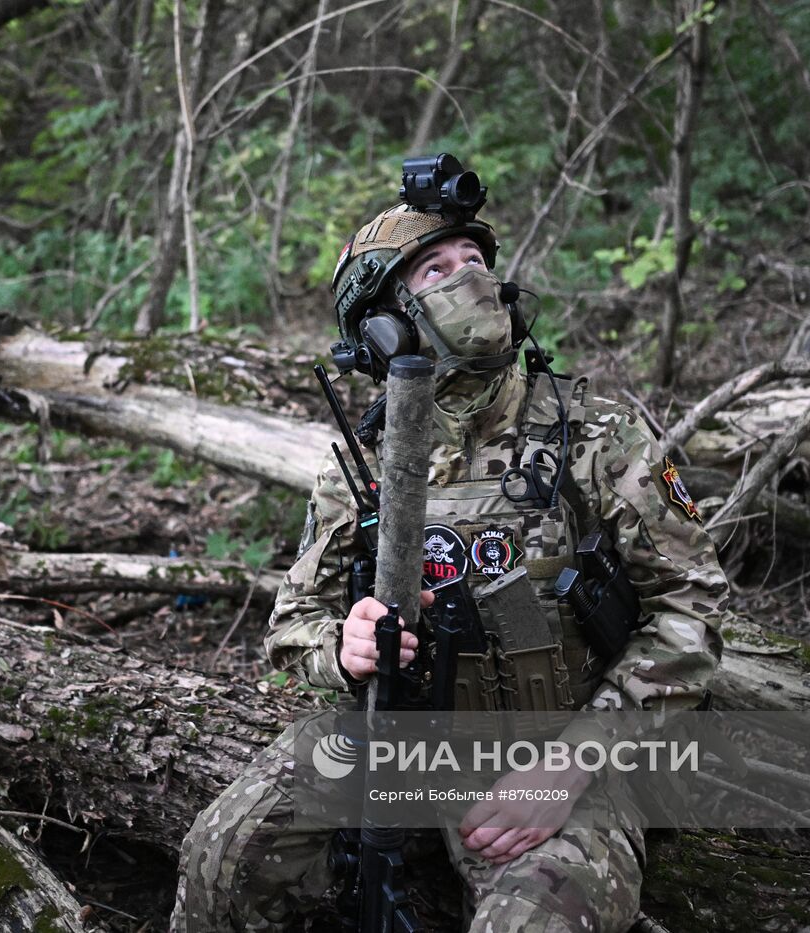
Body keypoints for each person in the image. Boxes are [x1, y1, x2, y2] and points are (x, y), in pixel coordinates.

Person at [171, 160, 728, 931]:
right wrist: (344, 648)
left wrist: (576, 760)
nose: (469, 278)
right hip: (391, 735)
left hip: (555, 743)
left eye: (476, 261)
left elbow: (690, 607)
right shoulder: (362, 466)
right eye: (436, 268)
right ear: (383, 323)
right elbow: (293, 619)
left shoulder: (596, 431)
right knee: (222, 856)